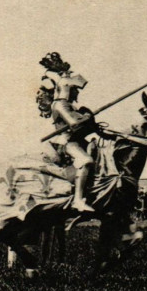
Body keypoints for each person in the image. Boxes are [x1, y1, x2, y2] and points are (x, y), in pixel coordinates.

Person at [37, 52, 96, 213]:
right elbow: (74, 124)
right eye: (75, 89)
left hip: (78, 140)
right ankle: (78, 200)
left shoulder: (69, 105)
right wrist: (87, 116)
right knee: (85, 160)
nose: (77, 92)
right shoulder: (60, 104)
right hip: (67, 142)